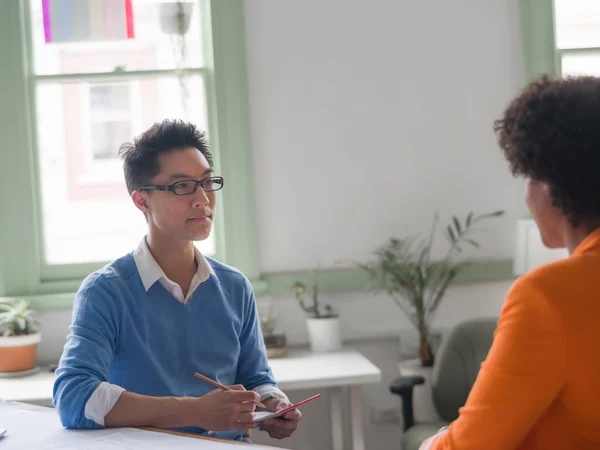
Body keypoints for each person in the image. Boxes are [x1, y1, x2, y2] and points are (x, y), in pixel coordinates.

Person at [53, 119, 301, 443]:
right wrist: (193, 411)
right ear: (142, 200)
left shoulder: (234, 286)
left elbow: (255, 378)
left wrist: (271, 402)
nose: (202, 199)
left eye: (207, 182)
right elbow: (74, 397)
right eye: (182, 186)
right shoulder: (105, 292)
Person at [420, 75, 600, 450]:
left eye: (528, 176)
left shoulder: (549, 296)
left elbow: (471, 446)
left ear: (551, 186)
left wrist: (432, 444)